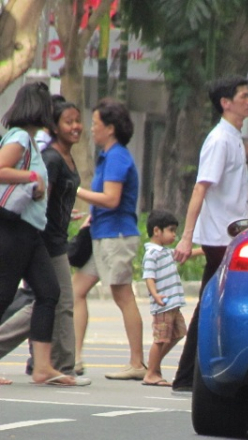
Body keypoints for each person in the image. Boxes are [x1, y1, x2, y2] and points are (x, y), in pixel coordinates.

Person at [0, 82, 86, 386]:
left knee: (49, 291)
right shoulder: (21, 137)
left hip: (30, 230)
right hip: (13, 228)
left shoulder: (31, 141)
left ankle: (43, 367)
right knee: (4, 294)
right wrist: (32, 177)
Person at [170, 75, 248, 392]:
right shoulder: (219, 140)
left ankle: (189, 374)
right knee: (211, 305)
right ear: (226, 103)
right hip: (220, 238)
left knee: (212, 305)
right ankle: (187, 375)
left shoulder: (233, 138)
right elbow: (200, 189)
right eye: (243, 96)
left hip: (231, 237)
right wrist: (187, 236)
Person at [73, 98, 145, 381]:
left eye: (96, 124)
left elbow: (112, 199)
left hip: (116, 235)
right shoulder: (107, 155)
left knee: (122, 294)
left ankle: (137, 362)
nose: (91, 129)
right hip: (102, 233)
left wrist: (76, 191)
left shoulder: (117, 157)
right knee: (76, 290)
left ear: (110, 128)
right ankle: (75, 358)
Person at [142, 210, 187, 387]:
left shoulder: (165, 252)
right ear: (156, 231)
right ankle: (151, 373)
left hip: (173, 305)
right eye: (171, 230)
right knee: (160, 339)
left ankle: (153, 366)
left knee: (178, 333)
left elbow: (185, 254)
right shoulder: (152, 254)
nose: (174, 235)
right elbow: (149, 277)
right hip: (163, 304)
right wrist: (155, 294)